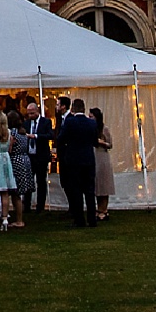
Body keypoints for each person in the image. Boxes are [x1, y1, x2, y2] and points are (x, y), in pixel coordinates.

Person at [57, 97, 100, 227]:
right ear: (84, 109)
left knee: (76, 190)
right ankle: (92, 219)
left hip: (73, 160)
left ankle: (79, 219)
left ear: (73, 109)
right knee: (89, 190)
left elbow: (60, 139)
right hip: (88, 159)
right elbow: (94, 141)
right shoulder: (92, 123)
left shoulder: (69, 122)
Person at [27, 98, 55, 214]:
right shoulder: (26, 123)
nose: (30, 115)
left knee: (41, 181)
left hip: (41, 156)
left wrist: (36, 136)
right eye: (28, 114)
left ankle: (40, 205)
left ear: (37, 111)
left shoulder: (46, 122)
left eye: (32, 113)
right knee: (28, 180)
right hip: (30, 156)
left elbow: (50, 135)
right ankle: (27, 205)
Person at [91, 106, 116, 221]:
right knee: (97, 185)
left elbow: (110, 144)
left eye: (91, 117)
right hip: (94, 157)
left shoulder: (104, 129)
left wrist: (102, 142)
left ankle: (104, 210)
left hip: (103, 157)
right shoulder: (90, 129)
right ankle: (98, 208)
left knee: (104, 185)